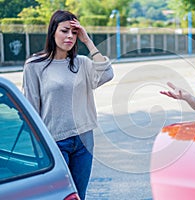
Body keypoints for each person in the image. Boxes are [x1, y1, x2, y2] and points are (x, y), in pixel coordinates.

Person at [22, 10, 114, 199]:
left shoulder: (82, 63)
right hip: (54, 141)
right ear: (53, 31)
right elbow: (31, 108)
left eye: (74, 32)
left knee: (79, 194)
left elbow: (107, 74)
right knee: (58, 195)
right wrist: (39, 146)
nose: (70, 36)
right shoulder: (34, 65)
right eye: (65, 31)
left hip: (84, 140)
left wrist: (87, 41)